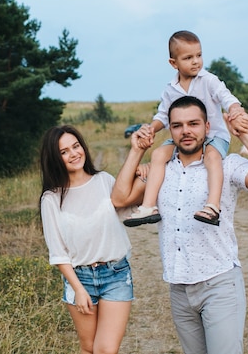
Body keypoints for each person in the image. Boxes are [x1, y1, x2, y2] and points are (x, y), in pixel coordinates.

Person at [111, 96, 248, 354]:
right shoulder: (159, 172)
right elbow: (119, 199)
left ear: (207, 127)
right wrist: (137, 150)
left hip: (218, 284)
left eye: (194, 123)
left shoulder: (226, 166)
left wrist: (244, 135)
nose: (186, 131)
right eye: (178, 125)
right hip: (179, 290)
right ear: (170, 130)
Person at [123, 30, 248, 228]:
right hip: (181, 138)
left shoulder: (208, 80)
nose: (196, 62)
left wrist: (235, 109)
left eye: (199, 55)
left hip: (214, 135)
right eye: (188, 57)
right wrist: (151, 128)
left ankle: (213, 207)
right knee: (157, 155)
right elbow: (163, 116)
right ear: (174, 63)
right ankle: (148, 206)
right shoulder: (170, 88)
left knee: (212, 157)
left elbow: (226, 97)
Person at [39, 125, 145, 354]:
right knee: (88, 348)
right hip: (80, 278)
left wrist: (142, 176)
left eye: (76, 146)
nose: (73, 153)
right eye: (64, 151)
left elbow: (128, 211)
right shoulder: (51, 198)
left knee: (105, 350)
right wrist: (78, 289)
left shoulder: (104, 181)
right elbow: (58, 252)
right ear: (55, 158)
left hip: (116, 274)